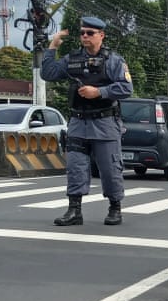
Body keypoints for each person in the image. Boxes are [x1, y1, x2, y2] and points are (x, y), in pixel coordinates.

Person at [42, 16, 133, 227]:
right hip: (78, 122)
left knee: (110, 169)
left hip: (105, 123)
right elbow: (48, 73)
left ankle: (115, 208)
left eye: (90, 33)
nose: (84, 36)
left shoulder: (114, 61)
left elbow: (126, 88)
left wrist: (98, 92)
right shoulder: (73, 60)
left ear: (101, 35)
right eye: (82, 32)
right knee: (75, 167)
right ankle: (74, 210)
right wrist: (52, 48)